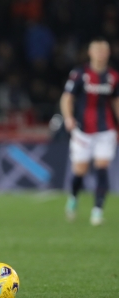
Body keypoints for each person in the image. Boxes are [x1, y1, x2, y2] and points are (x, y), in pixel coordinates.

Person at [61, 37, 119, 226]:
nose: (101, 54)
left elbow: (116, 102)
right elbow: (67, 98)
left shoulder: (113, 77)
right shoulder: (79, 74)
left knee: (102, 167)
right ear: (90, 53)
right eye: (98, 50)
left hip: (106, 129)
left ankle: (97, 210)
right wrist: (68, 118)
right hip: (82, 130)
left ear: (108, 53)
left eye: (104, 51)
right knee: (80, 171)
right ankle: (73, 197)